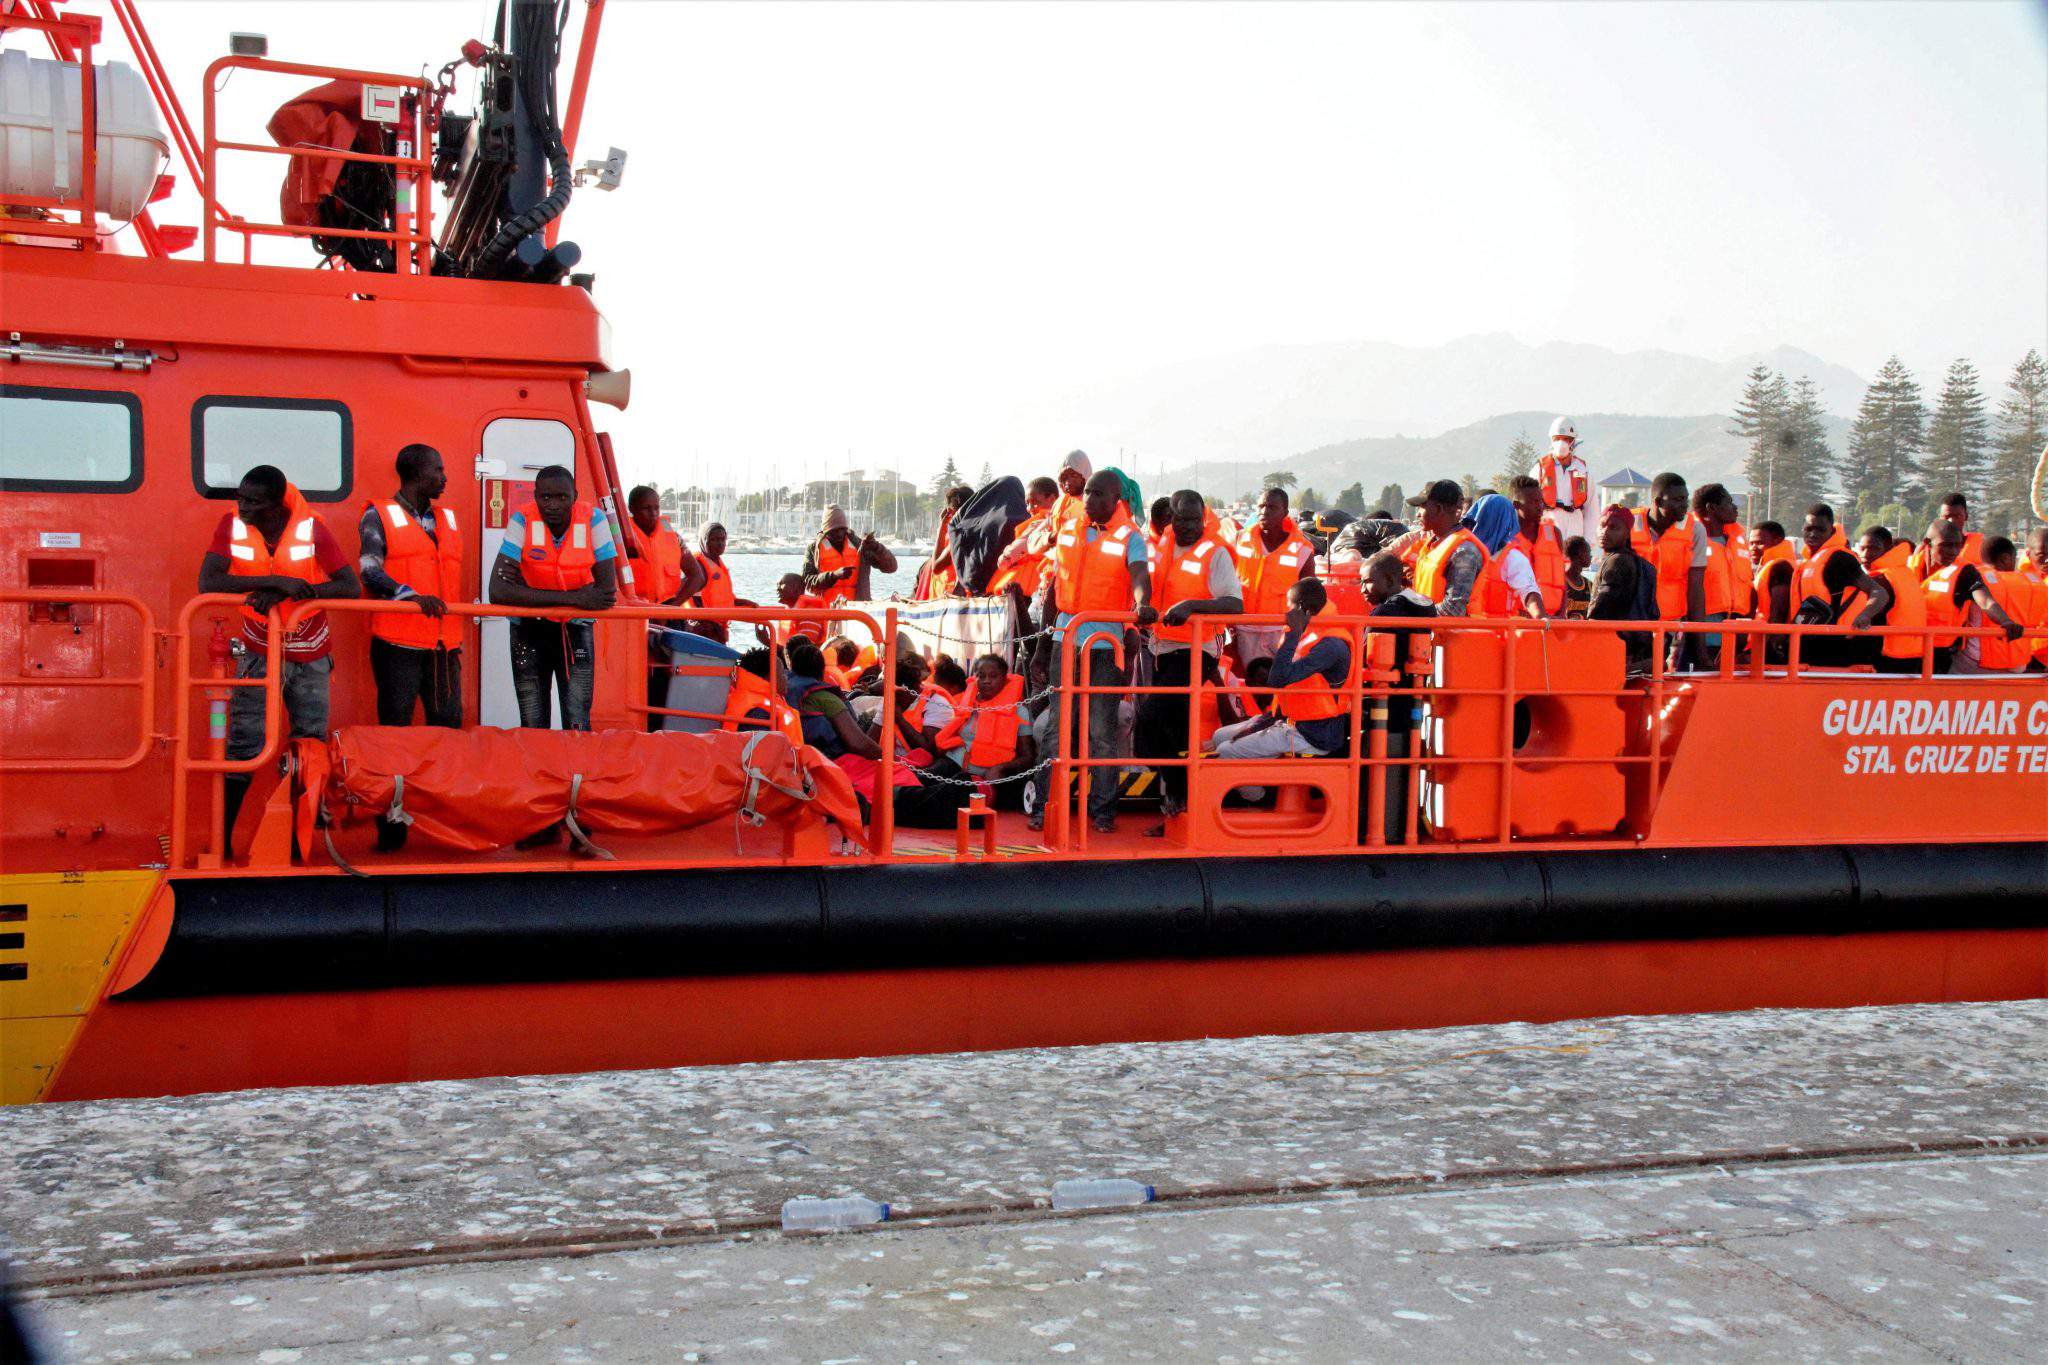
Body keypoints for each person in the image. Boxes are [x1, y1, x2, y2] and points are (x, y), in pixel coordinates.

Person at [198, 464, 361, 848]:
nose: (242, 507)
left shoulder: (312, 527)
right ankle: (221, 842)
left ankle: (298, 844)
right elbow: (208, 581)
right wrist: (274, 582)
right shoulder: (231, 525)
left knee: (309, 745)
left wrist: (294, 592)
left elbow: (349, 587)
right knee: (243, 744)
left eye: (252, 502)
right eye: (240, 498)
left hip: (310, 654)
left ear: (275, 505)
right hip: (258, 651)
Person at [1025, 469, 1156, 834]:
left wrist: (1143, 604)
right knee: (1057, 728)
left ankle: (1103, 811)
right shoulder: (1068, 529)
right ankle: (1044, 807)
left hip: (1105, 646)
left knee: (1101, 730)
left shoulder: (1130, 537)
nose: (1090, 499)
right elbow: (1054, 591)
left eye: (1098, 494)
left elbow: (1140, 575)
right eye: (1088, 493)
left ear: (1116, 500)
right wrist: (1040, 648)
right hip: (1064, 641)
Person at [357, 443, 464, 851]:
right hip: (397, 645)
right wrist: (410, 596)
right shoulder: (378, 516)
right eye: (438, 470)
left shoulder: (447, 519)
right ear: (418, 474)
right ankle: (391, 826)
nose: (444, 477)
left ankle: (441, 823)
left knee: (448, 733)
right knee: (394, 737)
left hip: (443, 647)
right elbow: (370, 571)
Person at [1136, 489, 1243, 831]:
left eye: (1196, 520)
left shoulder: (1215, 552)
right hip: (1161, 649)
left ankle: (1179, 794)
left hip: (1197, 650)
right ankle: (1180, 811)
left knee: (1150, 719)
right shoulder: (1163, 544)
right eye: (1182, 519)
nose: (1189, 526)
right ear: (1171, 518)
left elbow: (1234, 604)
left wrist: (1191, 606)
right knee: (1174, 730)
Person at [783, 636, 970, 829]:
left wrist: (897, 724)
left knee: (938, 771)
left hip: (831, 764)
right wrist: (889, 758)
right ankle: (962, 792)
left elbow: (926, 749)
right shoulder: (825, 698)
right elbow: (861, 744)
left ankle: (963, 789)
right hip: (840, 764)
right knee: (906, 792)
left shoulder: (786, 692)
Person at [487, 464, 617, 731]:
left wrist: (527, 594)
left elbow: (605, 592)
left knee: (578, 723)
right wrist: (575, 599)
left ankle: (576, 761)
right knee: (532, 723)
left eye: (561, 497)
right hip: (529, 630)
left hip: (575, 629)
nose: (553, 505)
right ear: (535, 496)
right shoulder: (521, 520)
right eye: (545, 497)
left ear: (575, 496)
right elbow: (498, 591)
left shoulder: (594, 520)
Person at [1210, 577, 1352, 759]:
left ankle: (1261, 779)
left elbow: (1277, 680)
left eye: (1289, 606)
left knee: (1225, 751)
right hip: (1291, 721)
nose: (1286, 613)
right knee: (1219, 736)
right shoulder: (1312, 631)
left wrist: (1293, 634)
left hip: (1313, 735)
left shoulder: (1331, 645)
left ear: (1301, 609)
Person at [1363, 550, 1434, 842]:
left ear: (1390, 580)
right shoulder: (1428, 607)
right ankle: (1408, 826)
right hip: (1418, 706)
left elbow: (1366, 658)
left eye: (1368, 581)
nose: (1362, 589)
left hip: (1387, 706)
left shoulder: (1383, 614)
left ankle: (1380, 829)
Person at [625, 485, 707, 731]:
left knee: (669, 680)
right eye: (646, 508)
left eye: (657, 508)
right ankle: (640, 729)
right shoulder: (622, 537)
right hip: (634, 620)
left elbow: (697, 576)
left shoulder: (673, 537)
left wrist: (675, 603)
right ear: (632, 509)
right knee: (635, 680)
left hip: (669, 620)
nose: (653, 514)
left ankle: (665, 731)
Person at [1629, 473, 1709, 668]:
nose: (1685, 505)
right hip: (1631, 623)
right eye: (1678, 500)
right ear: (1658, 502)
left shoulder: (1695, 530)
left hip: (1670, 625)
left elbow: (1696, 588)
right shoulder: (1628, 522)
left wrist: (1701, 649)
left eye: (1686, 499)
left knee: (1661, 672)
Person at [935, 653, 1038, 797]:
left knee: (944, 792)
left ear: (1004, 679)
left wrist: (1001, 768)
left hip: (985, 779)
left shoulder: (1019, 712)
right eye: (981, 676)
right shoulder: (964, 702)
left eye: (993, 676)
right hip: (953, 764)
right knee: (924, 778)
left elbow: (1028, 757)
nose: (987, 681)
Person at [1232, 487, 1315, 662]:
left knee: (1280, 676)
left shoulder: (1302, 549)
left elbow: (1311, 593)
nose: (1264, 511)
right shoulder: (1239, 540)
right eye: (1261, 506)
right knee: (1252, 676)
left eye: (1271, 507)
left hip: (1282, 630)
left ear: (1285, 512)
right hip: (1244, 628)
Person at [1938, 534, 2031, 674]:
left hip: (1974, 663)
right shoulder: (2031, 585)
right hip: (2018, 665)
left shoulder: (1971, 578)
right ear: (2006, 558)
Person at [1589, 503, 1659, 677]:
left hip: (1616, 647)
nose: (1605, 531)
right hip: (1636, 649)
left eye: (1613, 528)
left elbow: (1603, 608)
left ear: (1627, 533)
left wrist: (1584, 631)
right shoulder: (1638, 562)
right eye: (1602, 525)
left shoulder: (1618, 561)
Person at [1400, 479, 1486, 616]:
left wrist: (1412, 614)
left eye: (1422, 507)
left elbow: (1453, 610)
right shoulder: (1433, 544)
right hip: (1426, 627)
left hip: (1447, 630)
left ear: (1439, 509)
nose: (1417, 514)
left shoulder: (1464, 551)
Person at [1857, 525, 1930, 673]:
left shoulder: (1881, 579)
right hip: (1913, 655)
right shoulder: (1905, 572)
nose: (1865, 554)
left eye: (1873, 548)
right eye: (1862, 548)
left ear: (1888, 549)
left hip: (1888, 657)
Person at [1462, 492, 1545, 618]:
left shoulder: (1512, 558)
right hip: (1468, 627)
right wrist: (1541, 618)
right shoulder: (1465, 550)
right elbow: (1529, 592)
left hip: (1493, 628)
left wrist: (1541, 618)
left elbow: (1529, 592)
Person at [805, 505, 897, 605]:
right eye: (834, 531)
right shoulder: (813, 549)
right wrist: (833, 575)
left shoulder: (859, 545)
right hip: (826, 611)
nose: (839, 534)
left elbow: (891, 567)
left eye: (842, 529)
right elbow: (807, 582)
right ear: (825, 531)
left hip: (857, 610)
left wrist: (876, 547)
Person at [1533, 416, 1596, 545]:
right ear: (1552, 440)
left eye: (1566, 439)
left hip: (1575, 528)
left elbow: (1592, 509)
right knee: (1550, 554)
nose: (1562, 443)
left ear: (1573, 442)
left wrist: (1589, 541)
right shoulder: (1539, 469)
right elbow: (1530, 505)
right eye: (1557, 439)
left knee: (1572, 556)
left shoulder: (1583, 470)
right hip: (1548, 526)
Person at [1509, 475, 1567, 615]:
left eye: (1541, 501)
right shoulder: (1506, 537)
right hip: (1518, 620)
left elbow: (1562, 578)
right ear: (1516, 505)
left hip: (1554, 620)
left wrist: (1561, 615)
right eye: (1533, 502)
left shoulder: (1554, 533)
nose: (1540, 506)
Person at [688, 521, 753, 643]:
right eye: (714, 540)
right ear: (703, 541)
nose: (720, 543)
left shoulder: (717, 563)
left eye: (723, 539)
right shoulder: (699, 565)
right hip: (704, 631)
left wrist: (745, 603)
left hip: (717, 627)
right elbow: (696, 601)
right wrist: (712, 625)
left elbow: (723, 599)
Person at [1908, 492, 1983, 580]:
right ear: (1940, 517)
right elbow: (1913, 578)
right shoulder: (1924, 548)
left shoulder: (1981, 546)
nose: (1951, 521)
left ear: (1966, 516)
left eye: (1957, 516)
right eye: (1946, 516)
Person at [1750, 520, 1797, 626]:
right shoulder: (1775, 565)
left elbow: (1779, 615)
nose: (1753, 548)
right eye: (1751, 543)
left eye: (1759, 543)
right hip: (1763, 631)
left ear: (1777, 540)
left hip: (1770, 632)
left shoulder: (1780, 567)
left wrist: (1773, 635)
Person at [767, 571, 829, 646]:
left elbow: (805, 651)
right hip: (786, 653)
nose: (777, 589)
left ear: (796, 588)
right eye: (777, 585)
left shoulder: (809, 614)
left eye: (781, 584)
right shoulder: (789, 611)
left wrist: (768, 642)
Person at [1562, 536, 1593, 618]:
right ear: (1581, 553)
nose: (1591, 556)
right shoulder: (1560, 582)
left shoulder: (1589, 584)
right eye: (1589, 552)